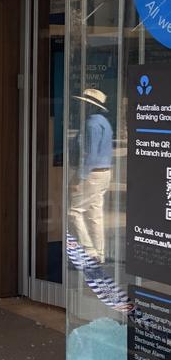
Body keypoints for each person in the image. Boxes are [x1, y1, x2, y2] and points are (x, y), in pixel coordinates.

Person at [69, 88, 113, 263]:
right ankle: (99, 253)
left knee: (73, 212)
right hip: (104, 173)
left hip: (92, 174)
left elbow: (91, 154)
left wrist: (79, 177)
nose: (80, 105)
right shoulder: (104, 122)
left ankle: (89, 251)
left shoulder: (91, 124)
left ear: (89, 105)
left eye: (83, 103)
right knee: (95, 214)